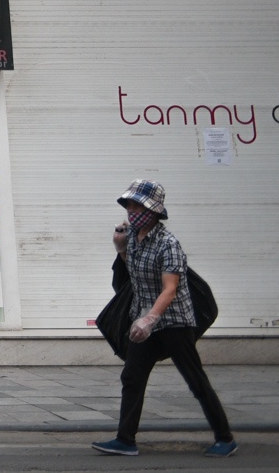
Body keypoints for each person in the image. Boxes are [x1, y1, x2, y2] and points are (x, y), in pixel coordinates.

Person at [92, 180, 236, 459]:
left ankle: (225, 438)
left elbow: (170, 289)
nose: (132, 211)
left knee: (195, 380)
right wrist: (120, 249)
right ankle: (125, 440)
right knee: (132, 377)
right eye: (129, 205)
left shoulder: (169, 244)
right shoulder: (132, 237)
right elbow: (129, 279)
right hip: (143, 322)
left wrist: (150, 319)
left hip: (174, 323)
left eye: (137, 205)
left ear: (153, 210)